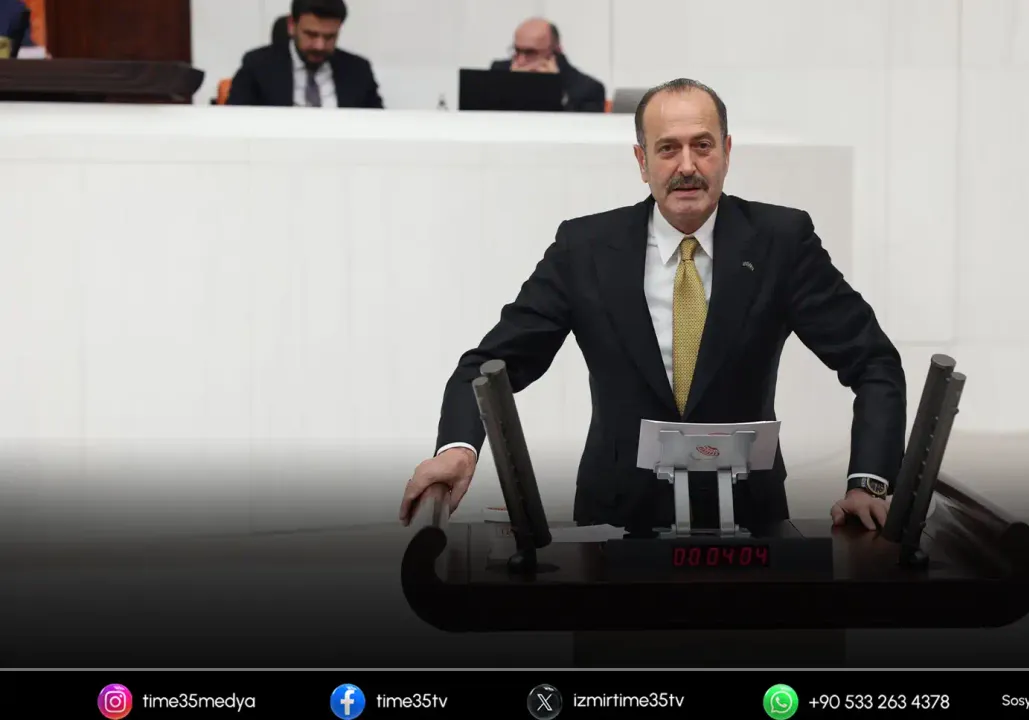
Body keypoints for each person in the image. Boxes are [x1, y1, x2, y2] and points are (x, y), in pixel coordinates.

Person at [400, 78, 907, 533]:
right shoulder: (585, 249)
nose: (687, 166)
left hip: (751, 526)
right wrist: (458, 448)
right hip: (614, 526)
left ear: (727, 152)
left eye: (702, 146)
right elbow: (489, 366)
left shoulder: (782, 241)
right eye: (668, 149)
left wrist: (869, 483)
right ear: (642, 162)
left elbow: (873, 362)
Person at [226, 0, 383, 109]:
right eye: (311, 35)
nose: (319, 46)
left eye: (329, 37)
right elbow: (234, 122)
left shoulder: (358, 71)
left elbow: (378, 126)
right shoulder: (257, 66)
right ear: (291, 26)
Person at [490, 17, 605, 112]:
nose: (520, 61)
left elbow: (582, 129)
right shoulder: (500, 72)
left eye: (530, 53)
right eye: (517, 51)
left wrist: (553, 89)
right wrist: (511, 84)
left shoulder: (588, 89)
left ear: (556, 52)